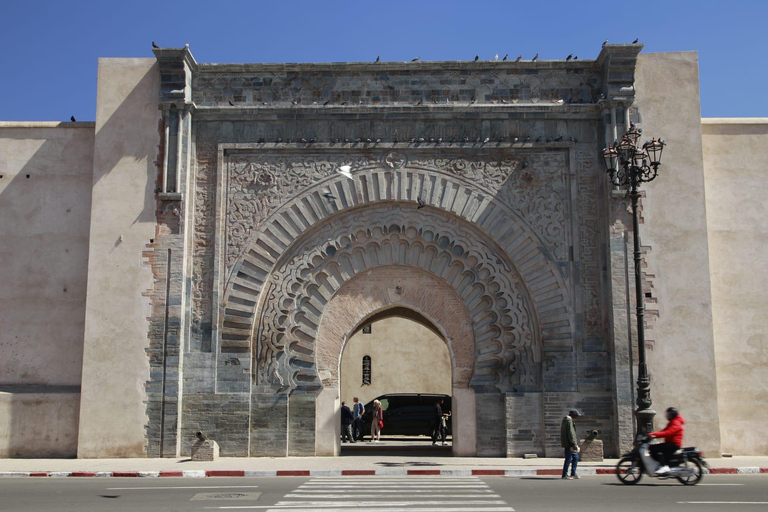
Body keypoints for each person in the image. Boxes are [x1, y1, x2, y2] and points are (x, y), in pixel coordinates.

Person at [648, 407, 685, 474]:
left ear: (672, 415)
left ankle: (664, 466)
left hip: (673, 444)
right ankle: (662, 465)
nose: (667, 416)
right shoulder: (673, 422)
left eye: (669, 414)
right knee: (656, 448)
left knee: (653, 448)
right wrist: (653, 434)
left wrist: (654, 435)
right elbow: (664, 431)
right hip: (670, 443)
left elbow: (668, 432)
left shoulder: (676, 422)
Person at [560, 409, 581, 480]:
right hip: (569, 444)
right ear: (573, 415)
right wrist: (574, 444)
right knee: (568, 459)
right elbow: (571, 433)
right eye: (576, 415)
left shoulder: (567, 420)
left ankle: (573, 473)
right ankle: (565, 475)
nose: (577, 417)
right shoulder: (569, 421)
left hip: (569, 443)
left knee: (575, 458)